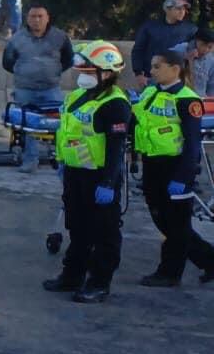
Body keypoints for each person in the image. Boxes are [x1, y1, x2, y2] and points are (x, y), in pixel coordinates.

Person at [44, 41, 131, 304]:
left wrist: (108, 182)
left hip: (100, 176)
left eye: (89, 71)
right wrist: (61, 162)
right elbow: (67, 132)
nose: (83, 75)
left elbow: (117, 148)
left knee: (104, 232)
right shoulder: (77, 97)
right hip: (75, 172)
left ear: (107, 72)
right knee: (77, 226)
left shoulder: (115, 104)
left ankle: (99, 282)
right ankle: (72, 275)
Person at [134, 49, 214, 287]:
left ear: (175, 69)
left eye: (158, 66)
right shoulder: (150, 92)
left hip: (175, 166)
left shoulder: (187, 100)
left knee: (176, 225)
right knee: (162, 220)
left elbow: (192, 143)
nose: (152, 71)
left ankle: (169, 272)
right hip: (151, 163)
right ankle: (210, 261)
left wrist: (183, 176)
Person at [1, 4, 74, 172]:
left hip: (51, 89)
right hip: (25, 90)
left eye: (40, 16)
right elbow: (7, 62)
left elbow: (69, 59)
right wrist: (25, 72)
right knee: (28, 125)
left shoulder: (60, 37)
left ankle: (61, 158)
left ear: (47, 18)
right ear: (27, 19)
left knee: (61, 123)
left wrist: (52, 72)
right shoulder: (17, 38)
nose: (37, 20)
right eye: (33, 16)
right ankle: (30, 161)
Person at [131, 0, 198, 87]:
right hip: (151, 78)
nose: (182, 11)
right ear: (167, 9)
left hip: (178, 79)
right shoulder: (149, 27)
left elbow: (199, 53)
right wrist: (138, 74)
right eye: (178, 8)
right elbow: (138, 50)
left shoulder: (191, 30)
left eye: (184, 9)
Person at [185, 26, 214, 96]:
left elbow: (212, 85)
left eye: (210, 47)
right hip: (181, 97)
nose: (206, 50)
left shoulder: (211, 60)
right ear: (196, 40)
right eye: (202, 45)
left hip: (201, 99)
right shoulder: (182, 50)